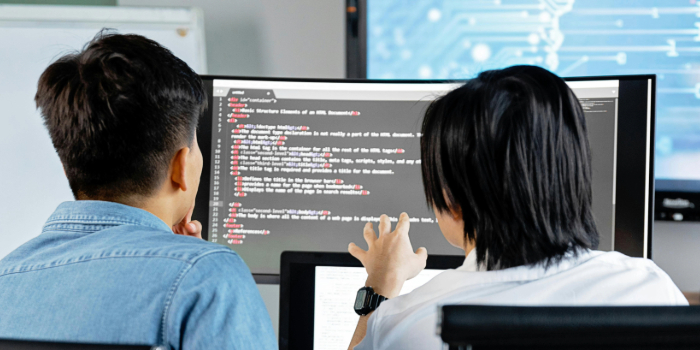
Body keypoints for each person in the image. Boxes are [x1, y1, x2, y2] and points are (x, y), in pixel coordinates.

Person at [347, 65, 687, 350]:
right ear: (571, 177)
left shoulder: (405, 327)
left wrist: (379, 286)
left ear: (451, 201)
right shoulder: (651, 290)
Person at [0, 31, 276, 350]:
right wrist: (197, 263)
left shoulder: (6, 276)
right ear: (181, 166)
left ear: (67, 167)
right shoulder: (207, 276)